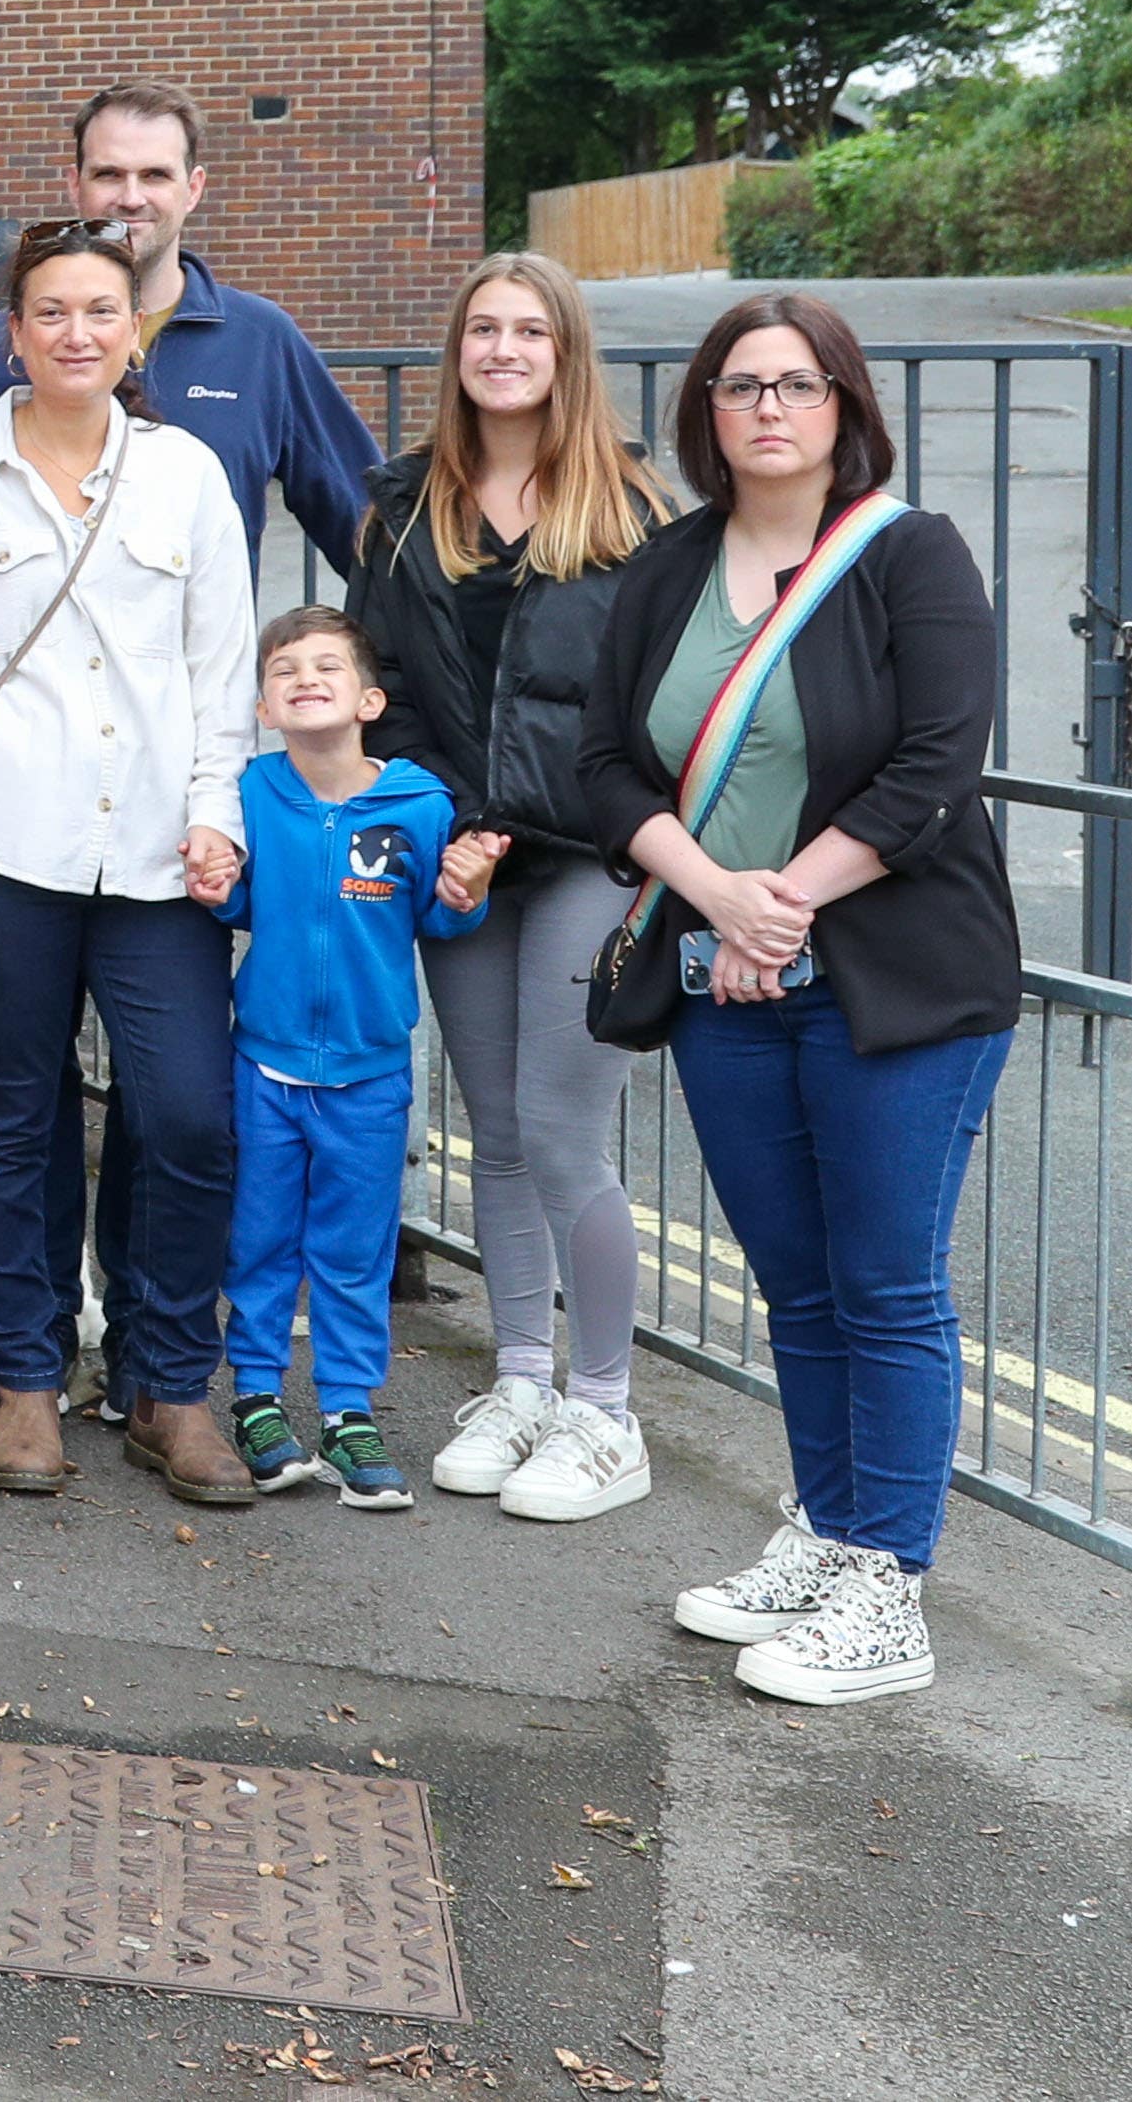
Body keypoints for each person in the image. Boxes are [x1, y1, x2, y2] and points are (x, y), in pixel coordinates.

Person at [586, 293, 1017, 1707]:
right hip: (724, 979)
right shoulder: (666, 569)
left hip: (894, 983)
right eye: (738, 385)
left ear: (844, 404)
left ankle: (887, 1584)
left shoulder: (913, 556)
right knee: (797, 1287)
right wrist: (720, 898)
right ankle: (827, 1530)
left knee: (886, 1285)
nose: (768, 407)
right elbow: (601, 767)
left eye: (797, 383)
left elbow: (937, 763)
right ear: (705, 411)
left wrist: (786, 898)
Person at [0, 218, 258, 1508]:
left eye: (102, 310)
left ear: (133, 328)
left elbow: (224, 668)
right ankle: (27, 1379)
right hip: (1, 850)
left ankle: (167, 1384)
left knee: (190, 1113)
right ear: (14, 331)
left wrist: (221, 813)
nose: (78, 332)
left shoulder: (188, 475)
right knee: (13, 1117)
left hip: (158, 856)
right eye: (51, 311)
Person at [345, 253, 670, 1526]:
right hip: (458, 854)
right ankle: (523, 1376)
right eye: (483, 326)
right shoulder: (402, 508)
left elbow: (651, 710)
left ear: (565, 350)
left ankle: (605, 1404)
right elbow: (391, 692)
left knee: (560, 1125)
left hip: (588, 852)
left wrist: (526, 821)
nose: (503, 346)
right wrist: (456, 826)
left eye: (529, 328)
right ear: (457, 351)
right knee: (492, 1123)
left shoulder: (637, 512)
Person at [205, 607, 494, 1508]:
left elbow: (438, 918)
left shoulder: (418, 803)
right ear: (263, 705)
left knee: (352, 1247)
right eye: (284, 669)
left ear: (369, 698)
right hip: (264, 1063)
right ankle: (254, 1393)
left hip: (370, 1072)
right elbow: (240, 901)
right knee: (258, 1240)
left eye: (326, 665)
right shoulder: (250, 791)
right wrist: (217, 888)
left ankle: (346, 1408)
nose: (304, 678)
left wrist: (467, 891)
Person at [0, 80, 379, 569]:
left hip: (201, 646)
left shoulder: (261, 341)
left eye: (156, 175)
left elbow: (365, 530)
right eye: (109, 175)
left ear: (194, 188)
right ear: (75, 185)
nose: (132, 197)